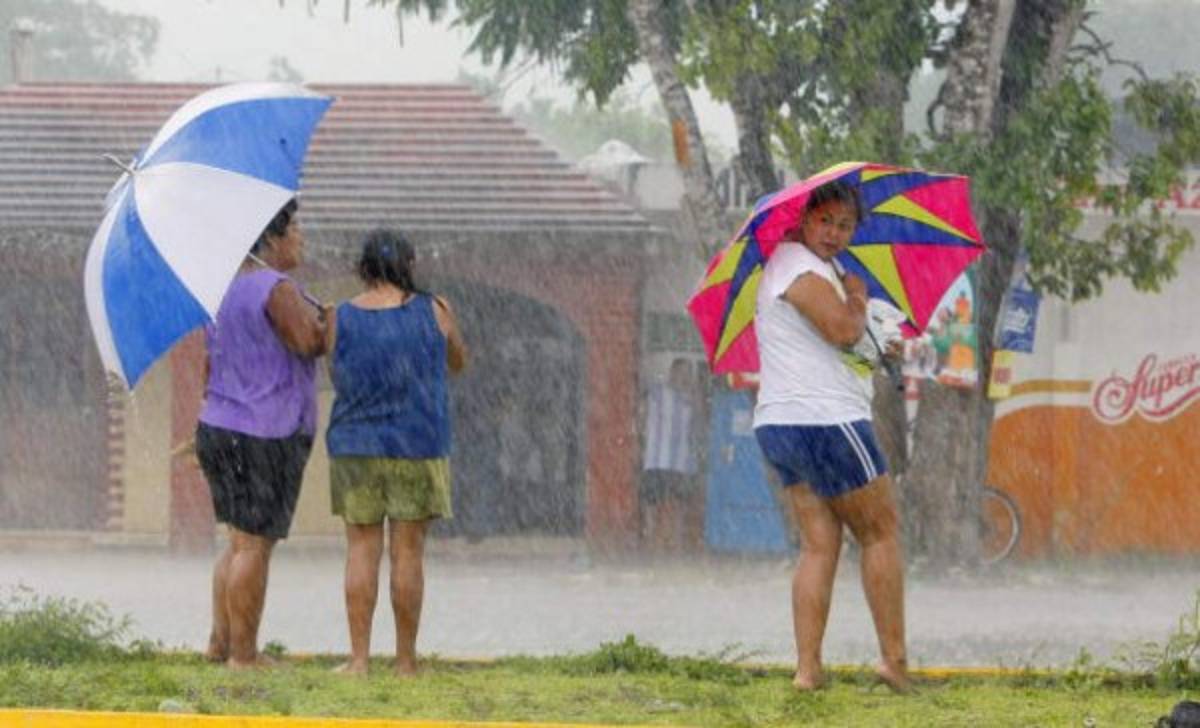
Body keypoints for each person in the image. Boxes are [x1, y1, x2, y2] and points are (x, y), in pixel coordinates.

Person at [752, 180, 910, 692]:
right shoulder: (797, 264)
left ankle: (808, 671)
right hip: (826, 419)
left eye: (845, 225)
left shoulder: (814, 269)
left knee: (820, 546)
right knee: (880, 531)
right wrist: (860, 299)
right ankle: (894, 661)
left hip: (783, 422)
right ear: (802, 220)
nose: (834, 233)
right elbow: (842, 331)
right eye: (825, 221)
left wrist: (869, 330)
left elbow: (839, 342)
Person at [324, 230, 467, 676]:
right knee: (408, 553)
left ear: (363, 268)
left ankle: (359, 659)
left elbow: (337, 372)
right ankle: (406, 661)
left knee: (361, 550)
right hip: (418, 444)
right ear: (410, 263)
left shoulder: (339, 316)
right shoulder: (436, 309)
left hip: (355, 446)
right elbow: (458, 361)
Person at [195, 198, 327, 669]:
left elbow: (211, 365)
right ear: (271, 238)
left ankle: (221, 642)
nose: (301, 239)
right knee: (254, 544)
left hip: (220, 425)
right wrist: (329, 323)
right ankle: (244, 657)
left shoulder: (222, 291)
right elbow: (308, 342)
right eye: (296, 230)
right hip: (266, 430)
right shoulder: (276, 288)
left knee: (238, 541)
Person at [638, 357, 700, 553]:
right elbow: (641, 387)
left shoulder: (691, 399)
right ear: (672, 373)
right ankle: (650, 541)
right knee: (651, 502)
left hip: (681, 461)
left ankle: (677, 542)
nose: (684, 377)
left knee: (680, 503)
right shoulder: (658, 392)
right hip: (656, 459)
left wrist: (694, 392)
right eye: (681, 372)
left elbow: (700, 420)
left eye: (688, 373)